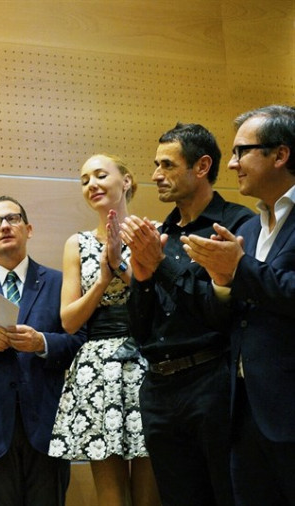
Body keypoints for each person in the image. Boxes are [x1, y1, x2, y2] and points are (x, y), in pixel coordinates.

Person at [120, 123, 254, 506]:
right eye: (155, 164)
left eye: (167, 165)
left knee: (227, 494)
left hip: (211, 381)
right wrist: (142, 280)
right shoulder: (159, 232)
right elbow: (140, 329)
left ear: (201, 166)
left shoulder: (235, 225)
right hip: (159, 388)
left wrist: (158, 265)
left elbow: (220, 315)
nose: (155, 176)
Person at [179, 105, 295, 505]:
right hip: (243, 407)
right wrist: (223, 281)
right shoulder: (246, 226)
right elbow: (231, 315)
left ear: (280, 155)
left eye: (241, 152)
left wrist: (239, 268)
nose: (231, 165)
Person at [48, 155, 160, 506]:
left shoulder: (151, 232)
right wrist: (103, 277)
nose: (92, 184)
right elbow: (68, 321)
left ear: (126, 181)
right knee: (110, 497)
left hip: (148, 361)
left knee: (150, 494)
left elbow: (163, 304)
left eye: (100, 175)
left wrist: (120, 264)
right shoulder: (76, 243)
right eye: (84, 180)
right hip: (97, 368)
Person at [0, 195, 86, 506]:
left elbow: (82, 342)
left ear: (28, 229)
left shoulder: (60, 283)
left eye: (13, 219)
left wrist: (42, 343)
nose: (4, 226)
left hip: (48, 427)